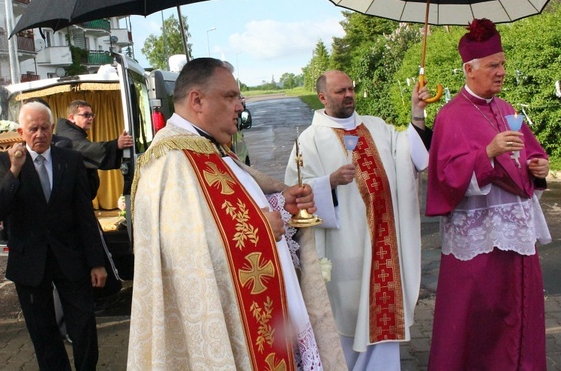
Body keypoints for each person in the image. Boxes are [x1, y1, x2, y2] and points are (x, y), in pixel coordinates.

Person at [129, 58, 346, 370]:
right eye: (230, 96)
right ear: (197, 100)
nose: (240, 106)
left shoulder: (212, 149)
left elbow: (233, 211)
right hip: (231, 325)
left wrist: (282, 205)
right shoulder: (170, 164)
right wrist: (261, 227)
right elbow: (187, 256)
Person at [426, 18, 551, 370]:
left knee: (519, 306)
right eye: (493, 65)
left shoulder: (507, 108)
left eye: (503, 63)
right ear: (469, 69)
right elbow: (445, 178)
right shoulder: (450, 116)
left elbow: (530, 155)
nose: (501, 71)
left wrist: (538, 169)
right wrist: (487, 154)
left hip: (516, 233)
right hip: (479, 242)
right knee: (478, 315)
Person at [285, 70, 430, 370]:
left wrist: (417, 114)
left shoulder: (376, 127)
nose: (349, 94)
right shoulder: (309, 141)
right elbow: (295, 195)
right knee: (348, 318)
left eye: (351, 89)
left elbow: (410, 155)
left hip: (385, 243)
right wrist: (329, 182)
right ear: (323, 97)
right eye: (340, 91)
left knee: (384, 317)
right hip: (346, 249)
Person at [0, 101, 108, 371]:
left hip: (70, 256)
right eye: (33, 129)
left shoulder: (71, 160)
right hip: (29, 260)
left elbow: (84, 215)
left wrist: (96, 261)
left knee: (84, 323)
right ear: (21, 131)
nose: (39, 134)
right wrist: (14, 171)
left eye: (44, 128)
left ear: (53, 128)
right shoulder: (4, 162)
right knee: (42, 331)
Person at [55, 99, 134, 196]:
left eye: (92, 115)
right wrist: (116, 144)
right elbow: (85, 149)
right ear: (71, 118)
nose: (90, 118)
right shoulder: (68, 136)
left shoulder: (71, 133)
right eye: (86, 115)